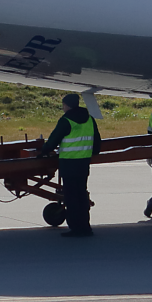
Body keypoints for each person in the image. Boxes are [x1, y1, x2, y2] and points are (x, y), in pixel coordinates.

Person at [39, 92, 101, 238]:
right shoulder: (90, 119)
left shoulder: (66, 120)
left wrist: (44, 151)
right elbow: (96, 141)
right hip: (84, 163)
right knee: (81, 194)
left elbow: (54, 139)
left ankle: (75, 228)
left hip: (68, 163)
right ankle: (85, 227)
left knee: (71, 197)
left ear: (67, 105)